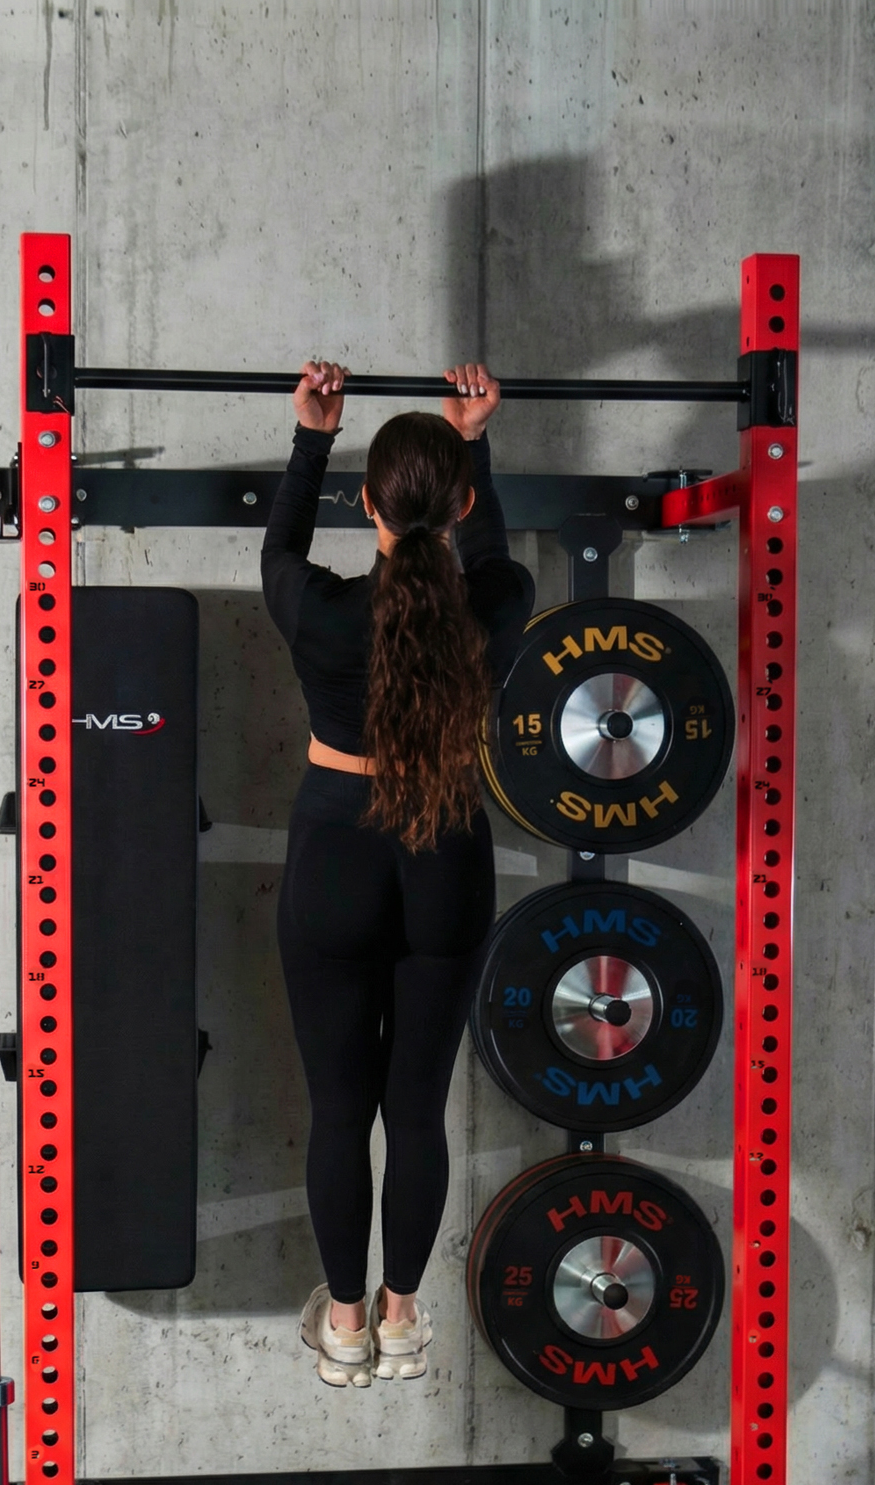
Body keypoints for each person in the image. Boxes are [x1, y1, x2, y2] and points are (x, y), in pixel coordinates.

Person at [261, 359, 534, 1387]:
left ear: (367, 504)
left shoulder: (318, 609)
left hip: (336, 848)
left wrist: (312, 438)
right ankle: (405, 1315)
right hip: (446, 851)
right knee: (414, 1110)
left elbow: (279, 548)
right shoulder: (496, 604)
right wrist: (475, 440)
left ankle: (344, 1324)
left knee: (340, 1110)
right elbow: (492, 555)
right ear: (458, 504)